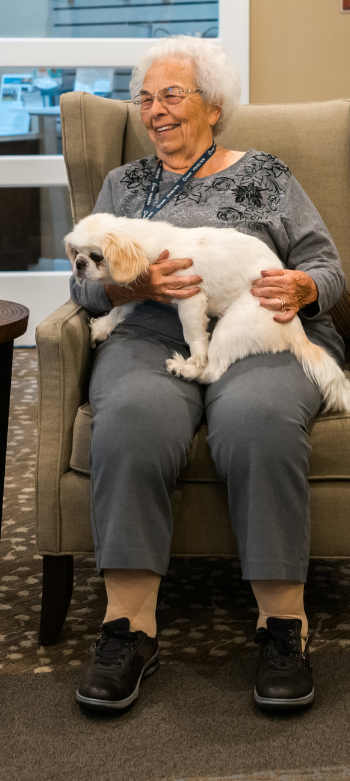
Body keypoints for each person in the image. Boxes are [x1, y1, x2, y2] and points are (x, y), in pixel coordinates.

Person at [71, 36, 344, 713]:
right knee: (132, 420)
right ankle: (128, 630)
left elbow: (329, 268)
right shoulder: (123, 187)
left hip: (259, 327)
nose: (156, 111)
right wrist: (131, 290)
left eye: (173, 95)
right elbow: (81, 293)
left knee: (258, 423)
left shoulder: (268, 176)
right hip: (148, 334)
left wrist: (305, 289)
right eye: (146, 98)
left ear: (213, 107)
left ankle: (284, 627)